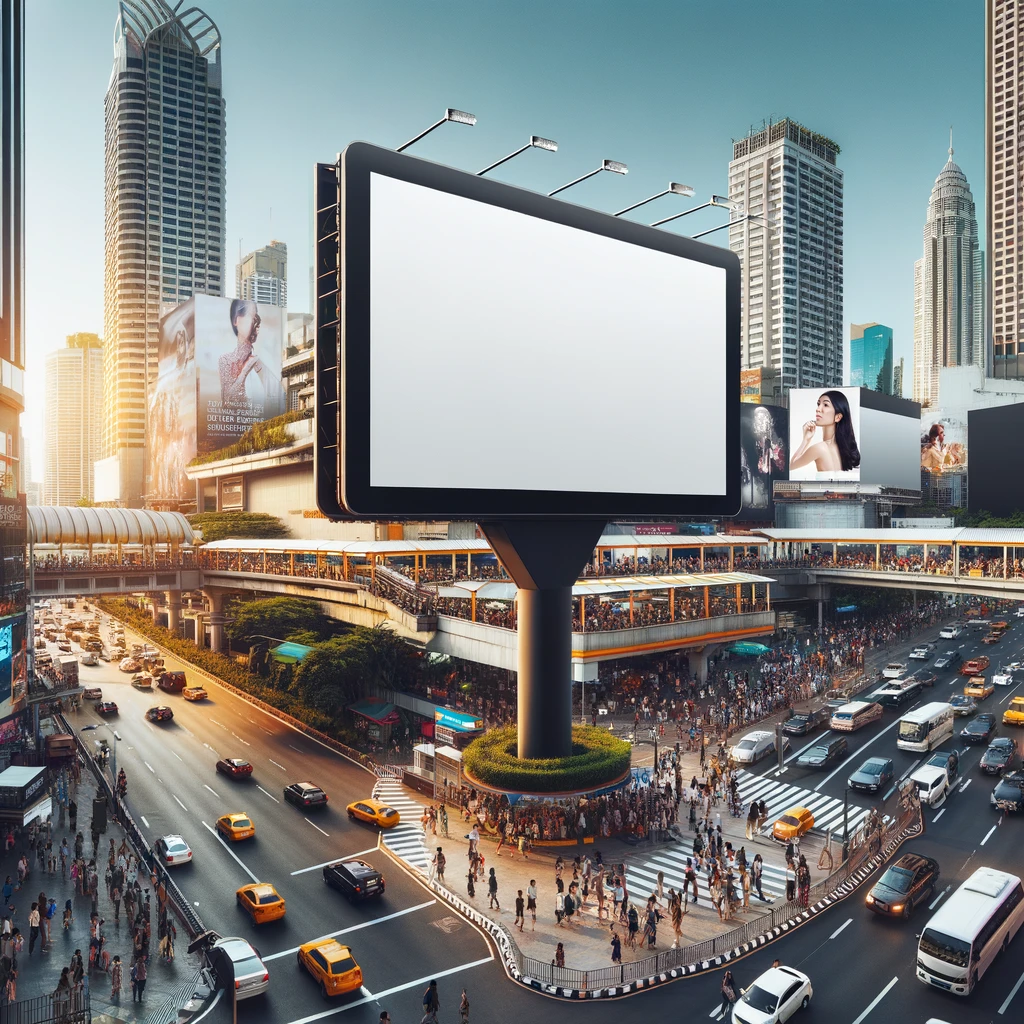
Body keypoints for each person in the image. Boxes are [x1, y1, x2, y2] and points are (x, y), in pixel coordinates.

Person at [790, 390, 861, 475]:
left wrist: (805, 440)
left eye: (826, 405)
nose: (818, 409)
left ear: (838, 417)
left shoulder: (819, 448)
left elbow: (791, 466)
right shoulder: (843, 449)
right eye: (818, 404)